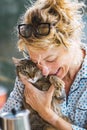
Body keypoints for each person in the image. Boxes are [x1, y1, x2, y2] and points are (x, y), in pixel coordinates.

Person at [0, 0, 87, 129]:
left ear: (72, 41)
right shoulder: (31, 70)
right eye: (36, 61)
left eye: (51, 59)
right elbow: (7, 118)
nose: (44, 71)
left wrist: (47, 113)